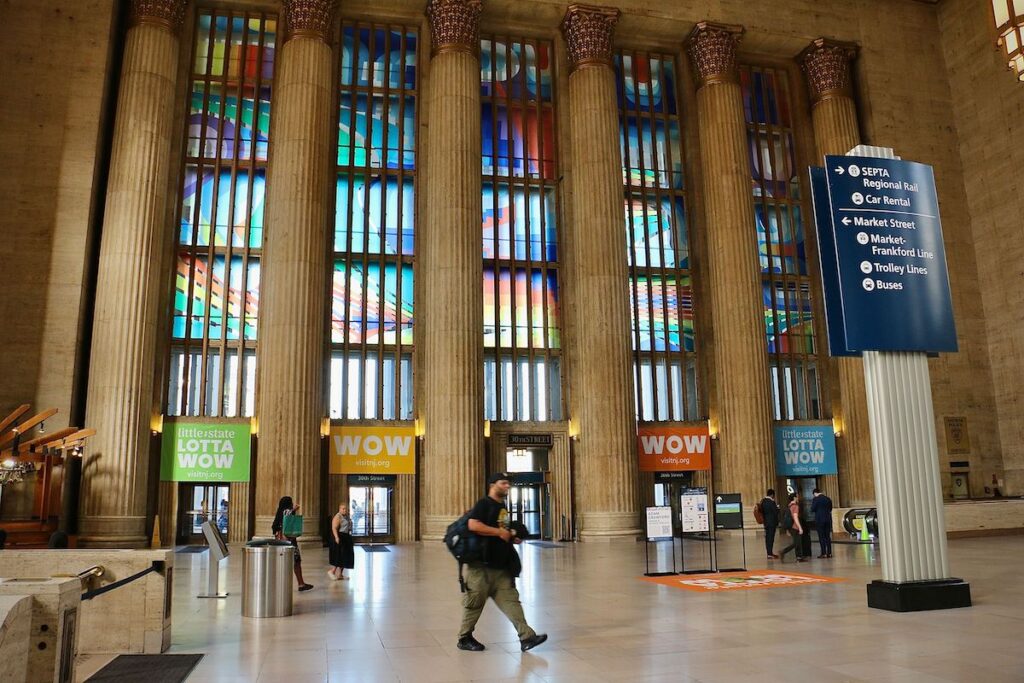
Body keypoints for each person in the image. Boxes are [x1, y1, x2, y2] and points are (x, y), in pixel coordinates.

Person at [457, 472, 547, 653]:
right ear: (493, 484)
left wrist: (511, 537)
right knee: (474, 604)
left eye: (508, 483)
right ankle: (464, 638)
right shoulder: (484, 504)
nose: (507, 486)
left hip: (501, 567)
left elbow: (501, 529)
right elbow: (473, 525)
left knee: (512, 602)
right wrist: (499, 533)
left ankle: (526, 637)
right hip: (481, 568)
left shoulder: (502, 506)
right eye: (503, 483)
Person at [272, 496, 313, 591]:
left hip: (280, 542)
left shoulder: (279, 514)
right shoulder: (286, 511)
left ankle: (283, 585)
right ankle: (301, 584)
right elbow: (288, 516)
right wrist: (293, 509)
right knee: (296, 562)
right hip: (289, 542)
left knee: (285, 563)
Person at [328, 503, 355, 580]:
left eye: (346, 509)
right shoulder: (338, 516)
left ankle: (340, 574)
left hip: (346, 536)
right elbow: (334, 528)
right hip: (340, 536)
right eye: (343, 509)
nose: (344, 510)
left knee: (345, 555)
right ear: (339, 509)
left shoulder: (346, 517)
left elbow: (348, 527)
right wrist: (336, 537)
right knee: (339, 555)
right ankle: (332, 571)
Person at [779, 492, 806, 563]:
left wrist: (787, 530)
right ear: (794, 498)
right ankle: (783, 552)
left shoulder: (789, 505)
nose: (798, 498)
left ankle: (799, 557)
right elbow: (795, 518)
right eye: (797, 497)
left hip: (790, 526)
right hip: (795, 526)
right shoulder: (795, 506)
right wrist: (800, 528)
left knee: (797, 542)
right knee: (797, 543)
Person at [811, 488, 834, 558]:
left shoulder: (815, 499)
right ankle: (829, 553)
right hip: (828, 519)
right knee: (827, 536)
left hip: (819, 520)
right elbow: (830, 508)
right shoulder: (828, 499)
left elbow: (812, 509)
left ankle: (823, 553)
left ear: (815, 493)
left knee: (821, 537)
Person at [759, 489, 780, 560]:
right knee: (771, 538)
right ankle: (770, 554)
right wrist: (778, 509)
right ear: (772, 495)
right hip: (772, 523)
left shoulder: (763, 501)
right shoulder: (771, 502)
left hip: (766, 523)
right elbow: (775, 512)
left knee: (767, 538)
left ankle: (769, 553)